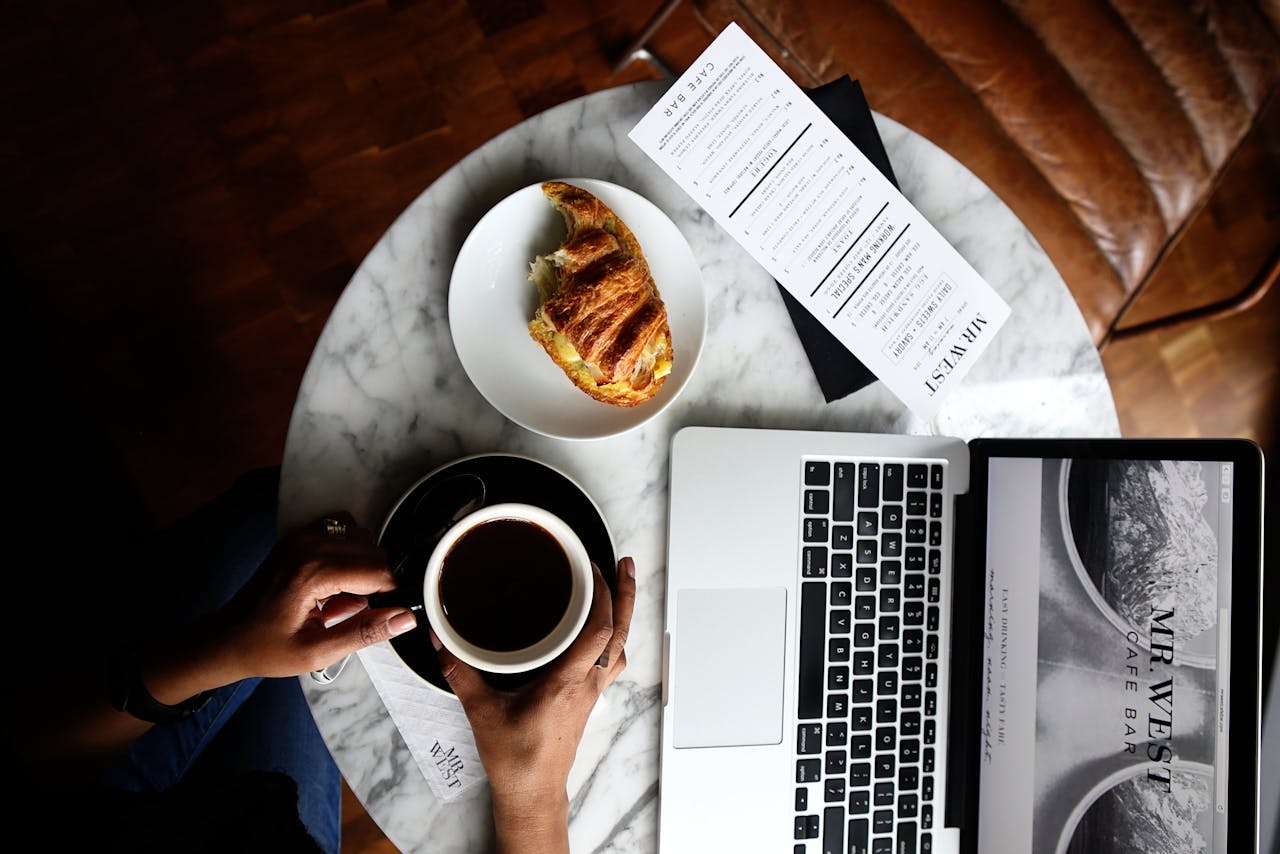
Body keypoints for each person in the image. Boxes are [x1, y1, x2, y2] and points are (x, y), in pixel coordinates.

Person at [5, 467, 635, 854]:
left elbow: (40, 761)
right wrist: (532, 803)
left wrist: (227, 645)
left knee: (278, 523)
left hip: (106, 816)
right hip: (273, 829)